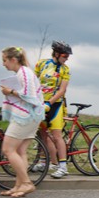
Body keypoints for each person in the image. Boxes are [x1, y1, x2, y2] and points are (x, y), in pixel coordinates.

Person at [0, 47, 45, 198]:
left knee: (8, 149)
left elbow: (29, 96)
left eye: (4, 60)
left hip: (25, 116)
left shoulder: (23, 73)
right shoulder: (25, 72)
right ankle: (19, 186)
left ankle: (26, 183)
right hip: (33, 116)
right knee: (20, 151)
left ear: (13, 60)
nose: (3, 64)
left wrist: (9, 92)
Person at [34, 40, 72, 178]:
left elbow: (62, 90)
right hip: (40, 103)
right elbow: (33, 82)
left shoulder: (65, 69)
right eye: (65, 55)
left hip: (55, 104)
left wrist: (50, 102)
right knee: (43, 134)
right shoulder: (42, 64)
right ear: (56, 53)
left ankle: (63, 167)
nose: (67, 58)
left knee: (56, 136)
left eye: (68, 56)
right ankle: (45, 161)